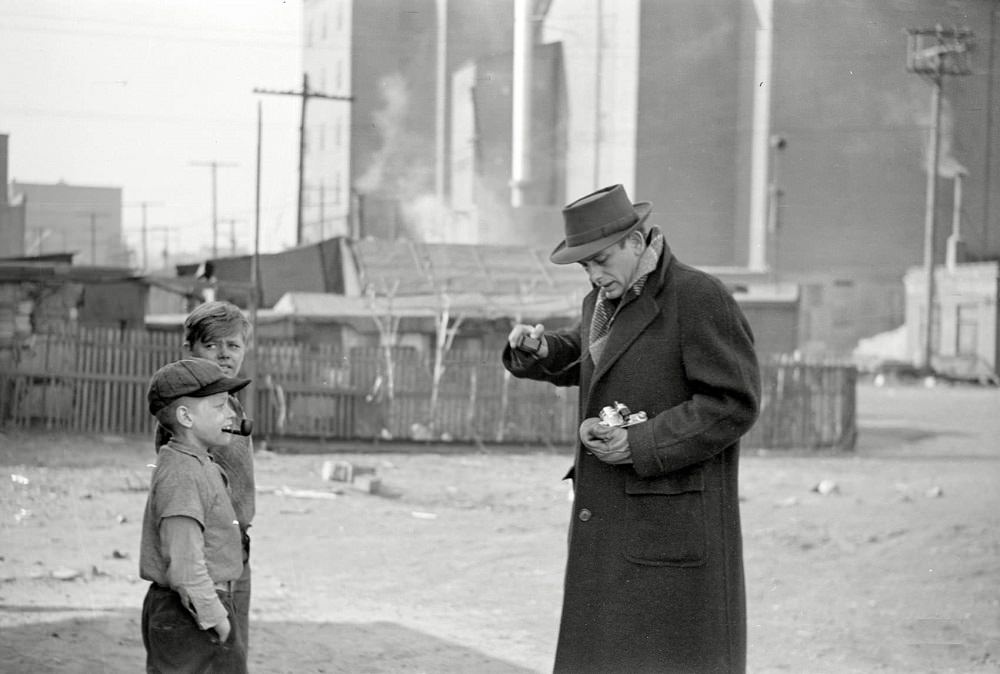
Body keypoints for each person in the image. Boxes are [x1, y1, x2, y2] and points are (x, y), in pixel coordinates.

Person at [503, 184, 761, 673]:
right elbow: (593, 356)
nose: (593, 275)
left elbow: (732, 403)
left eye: (600, 260)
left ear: (637, 243)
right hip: (616, 524)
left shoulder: (697, 296)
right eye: (584, 266)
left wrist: (639, 443)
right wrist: (542, 352)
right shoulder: (603, 302)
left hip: (671, 530)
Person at [154, 300, 256, 660]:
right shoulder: (185, 420)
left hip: (234, 556)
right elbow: (183, 508)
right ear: (190, 350)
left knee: (231, 657)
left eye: (233, 345)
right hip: (203, 562)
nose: (223, 355)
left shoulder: (229, 404)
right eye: (211, 345)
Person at [140, 358, 252, 672]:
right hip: (190, 613)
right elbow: (185, 563)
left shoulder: (196, 462)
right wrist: (216, 618)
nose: (231, 413)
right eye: (219, 406)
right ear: (186, 417)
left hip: (202, 605)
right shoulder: (182, 474)